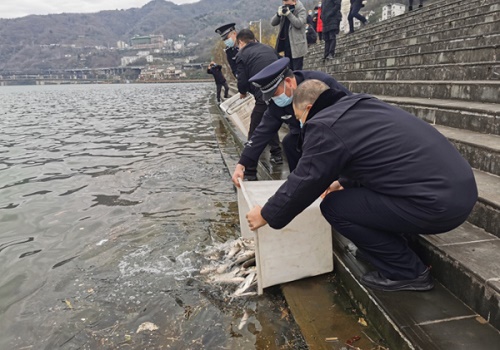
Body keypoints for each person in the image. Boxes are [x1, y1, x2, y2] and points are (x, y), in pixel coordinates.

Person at [246, 79, 478, 292]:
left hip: (436, 206)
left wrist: (266, 214)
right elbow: (376, 156)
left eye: (298, 117)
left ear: (308, 108)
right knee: (352, 194)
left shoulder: (324, 124)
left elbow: (305, 181)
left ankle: (408, 272)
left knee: (334, 207)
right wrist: (342, 181)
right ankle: (395, 248)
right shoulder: (361, 104)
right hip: (460, 192)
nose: (300, 123)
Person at [231, 57, 350, 186]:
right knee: (289, 143)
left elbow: (350, 108)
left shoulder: (322, 83)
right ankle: (300, 184)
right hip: (301, 133)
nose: (275, 99)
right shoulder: (276, 103)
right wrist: (242, 164)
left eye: (275, 93)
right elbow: (262, 132)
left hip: (334, 131)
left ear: (289, 82)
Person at [235, 29, 283, 181]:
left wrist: (242, 92)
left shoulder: (242, 54)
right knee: (271, 119)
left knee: (255, 130)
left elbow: (242, 81)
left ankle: (249, 171)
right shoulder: (268, 48)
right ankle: (277, 154)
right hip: (283, 89)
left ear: (241, 42)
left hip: (265, 93)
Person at [272, 0, 308, 70]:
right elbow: (273, 23)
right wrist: (278, 15)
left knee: (297, 70)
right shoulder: (284, 9)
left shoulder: (301, 10)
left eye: (287, 1)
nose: (285, 3)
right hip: (286, 44)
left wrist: (289, 14)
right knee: (289, 70)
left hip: (297, 46)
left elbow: (299, 23)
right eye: (284, 1)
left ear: (294, 1)